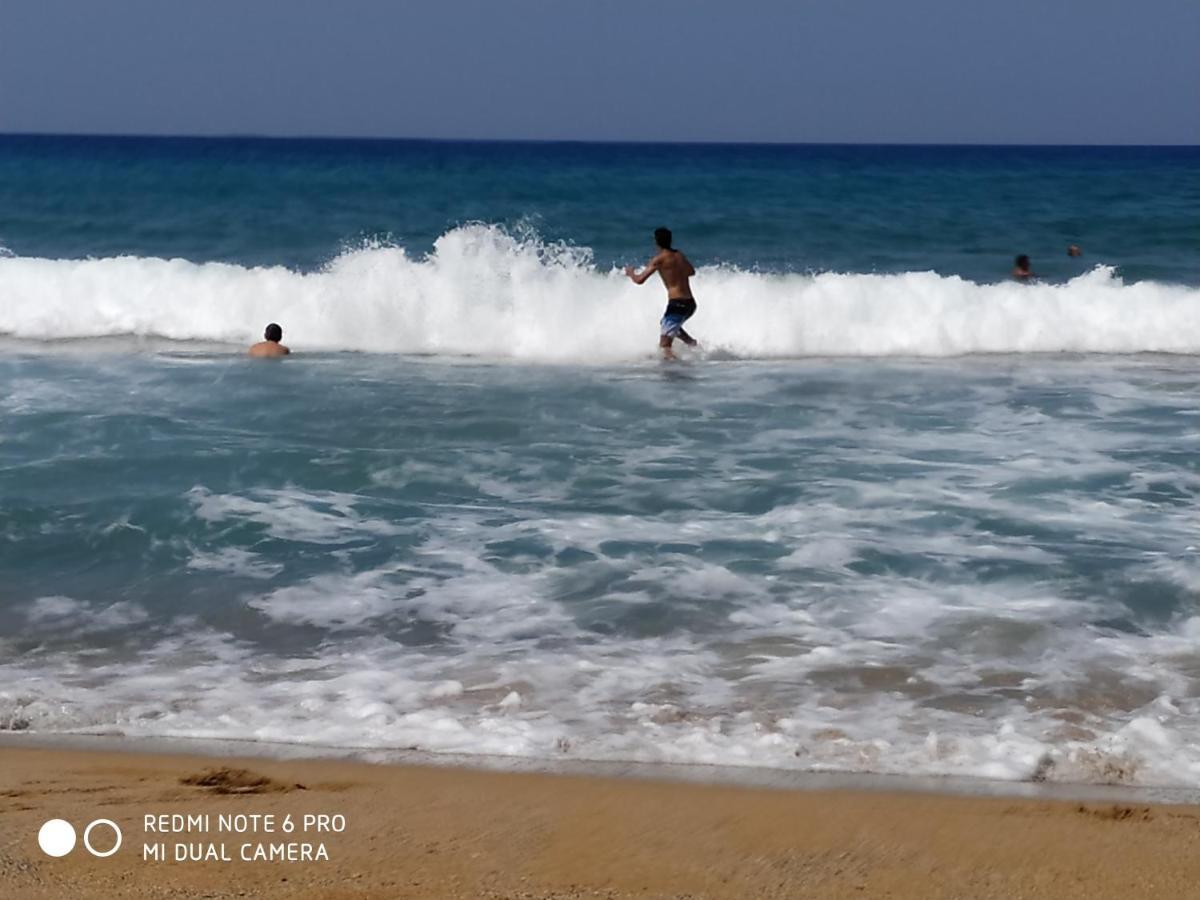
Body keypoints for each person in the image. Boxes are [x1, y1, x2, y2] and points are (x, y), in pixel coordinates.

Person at [624, 227, 698, 359]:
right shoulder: (679, 255)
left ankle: (677, 373)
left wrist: (631, 273)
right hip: (690, 304)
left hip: (677, 304)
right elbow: (692, 272)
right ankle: (692, 344)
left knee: (665, 346)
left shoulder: (659, 259)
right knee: (666, 324)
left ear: (656, 241)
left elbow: (640, 280)